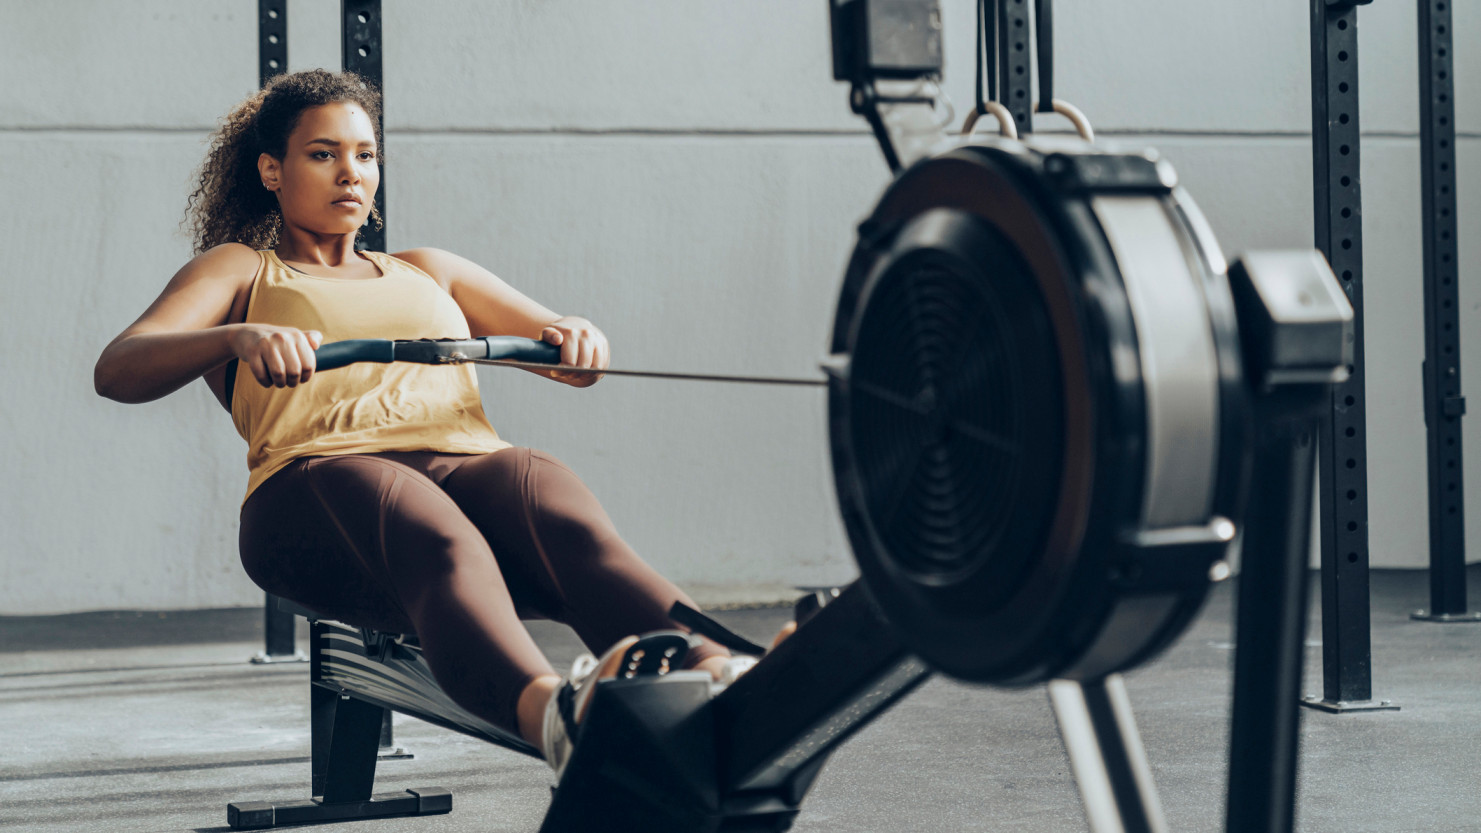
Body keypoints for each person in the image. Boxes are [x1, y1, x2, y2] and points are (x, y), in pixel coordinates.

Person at [93, 69, 786, 775]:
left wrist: (577, 336)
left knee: (537, 481)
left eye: (364, 155)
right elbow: (119, 368)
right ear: (272, 169)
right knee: (421, 516)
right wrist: (236, 337)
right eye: (322, 154)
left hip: (457, 466)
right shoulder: (244, 272)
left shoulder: (427, 271)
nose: (350, 174)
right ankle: (558, 718)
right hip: (313, 492)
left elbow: (566, 351)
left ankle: (725, 672)